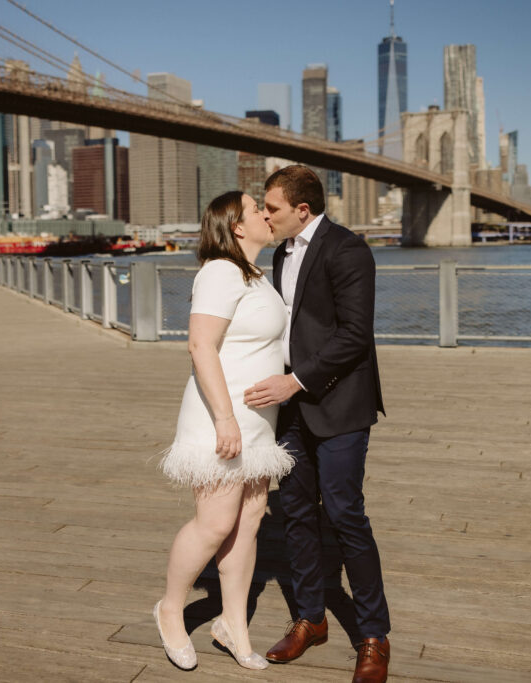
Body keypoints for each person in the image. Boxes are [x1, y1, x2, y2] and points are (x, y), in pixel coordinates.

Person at [244, 165, 391, 683]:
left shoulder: (348, 249)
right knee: (297, 514)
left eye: (273, 208)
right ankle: (311, 618)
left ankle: (374, 635)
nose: (266, 215)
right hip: (291, 411)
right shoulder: (280, 252)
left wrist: (295, 381)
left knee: (346, 513)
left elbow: (355, 336)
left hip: (340, 404)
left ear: (302, 210)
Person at [155, 191, 293, 672]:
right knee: (214, 522)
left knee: (251, 518)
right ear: (236, 225)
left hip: (257, 423)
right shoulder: (219, 271)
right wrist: (226, 419)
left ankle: (232, 625)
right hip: (222, 418)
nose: (266, 214)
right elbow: (200, 345)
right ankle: (171, 608)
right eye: (258, 208)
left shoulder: (255, 277)